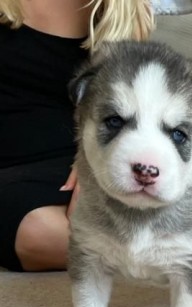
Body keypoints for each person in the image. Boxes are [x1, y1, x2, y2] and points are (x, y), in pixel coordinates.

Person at [0, 0, 154, 272]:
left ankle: (161, 249)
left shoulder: (123, 10)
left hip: (68, 164)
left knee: (37, 228)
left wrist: (95, 159)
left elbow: (129, 109)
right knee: (36, 231)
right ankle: (155, 251)